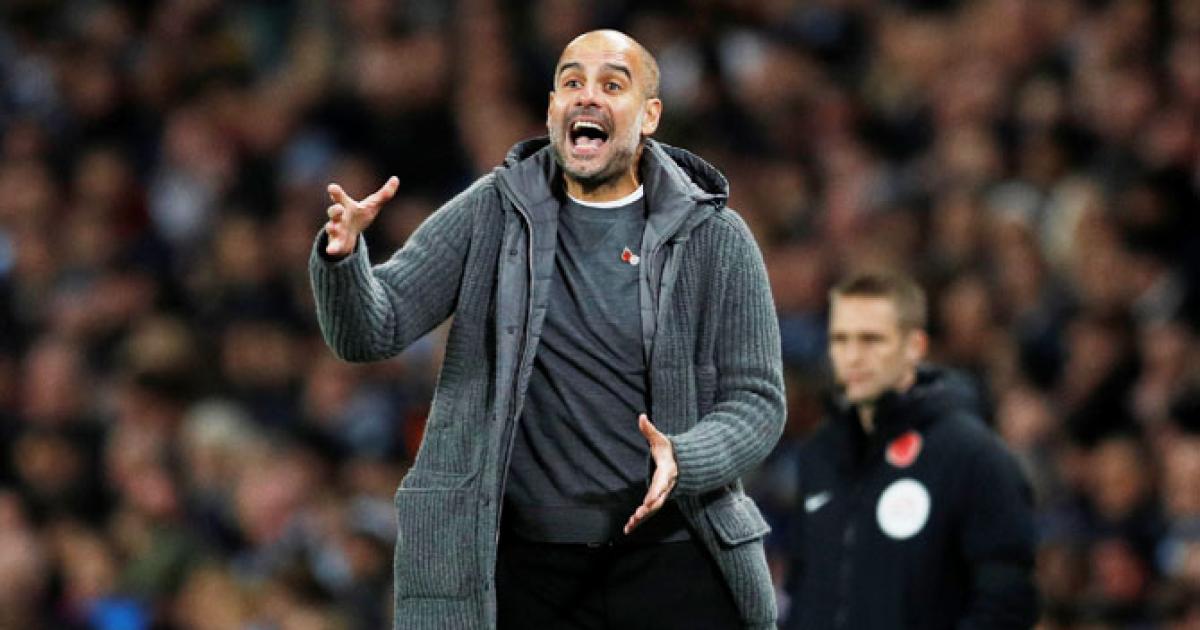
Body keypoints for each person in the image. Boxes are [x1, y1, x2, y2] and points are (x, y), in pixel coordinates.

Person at [310, 30, 785, 630]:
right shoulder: (491, 211)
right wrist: (343, 260)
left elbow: (758, 400)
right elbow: (372, 330)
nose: (588, 96)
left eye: (612, 84)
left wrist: (685, 456)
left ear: (649, 116)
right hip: (523, 571)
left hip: (670, 557)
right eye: (572, 82)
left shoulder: (716, 237)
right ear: (552, 109)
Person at [785, 272, 1038, 629]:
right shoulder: (819, 456)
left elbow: (1006, 601)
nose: (853, 356)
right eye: (840, 339)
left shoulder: (973, 456)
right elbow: (802, 588)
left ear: (914, 347)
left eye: (871, 339)